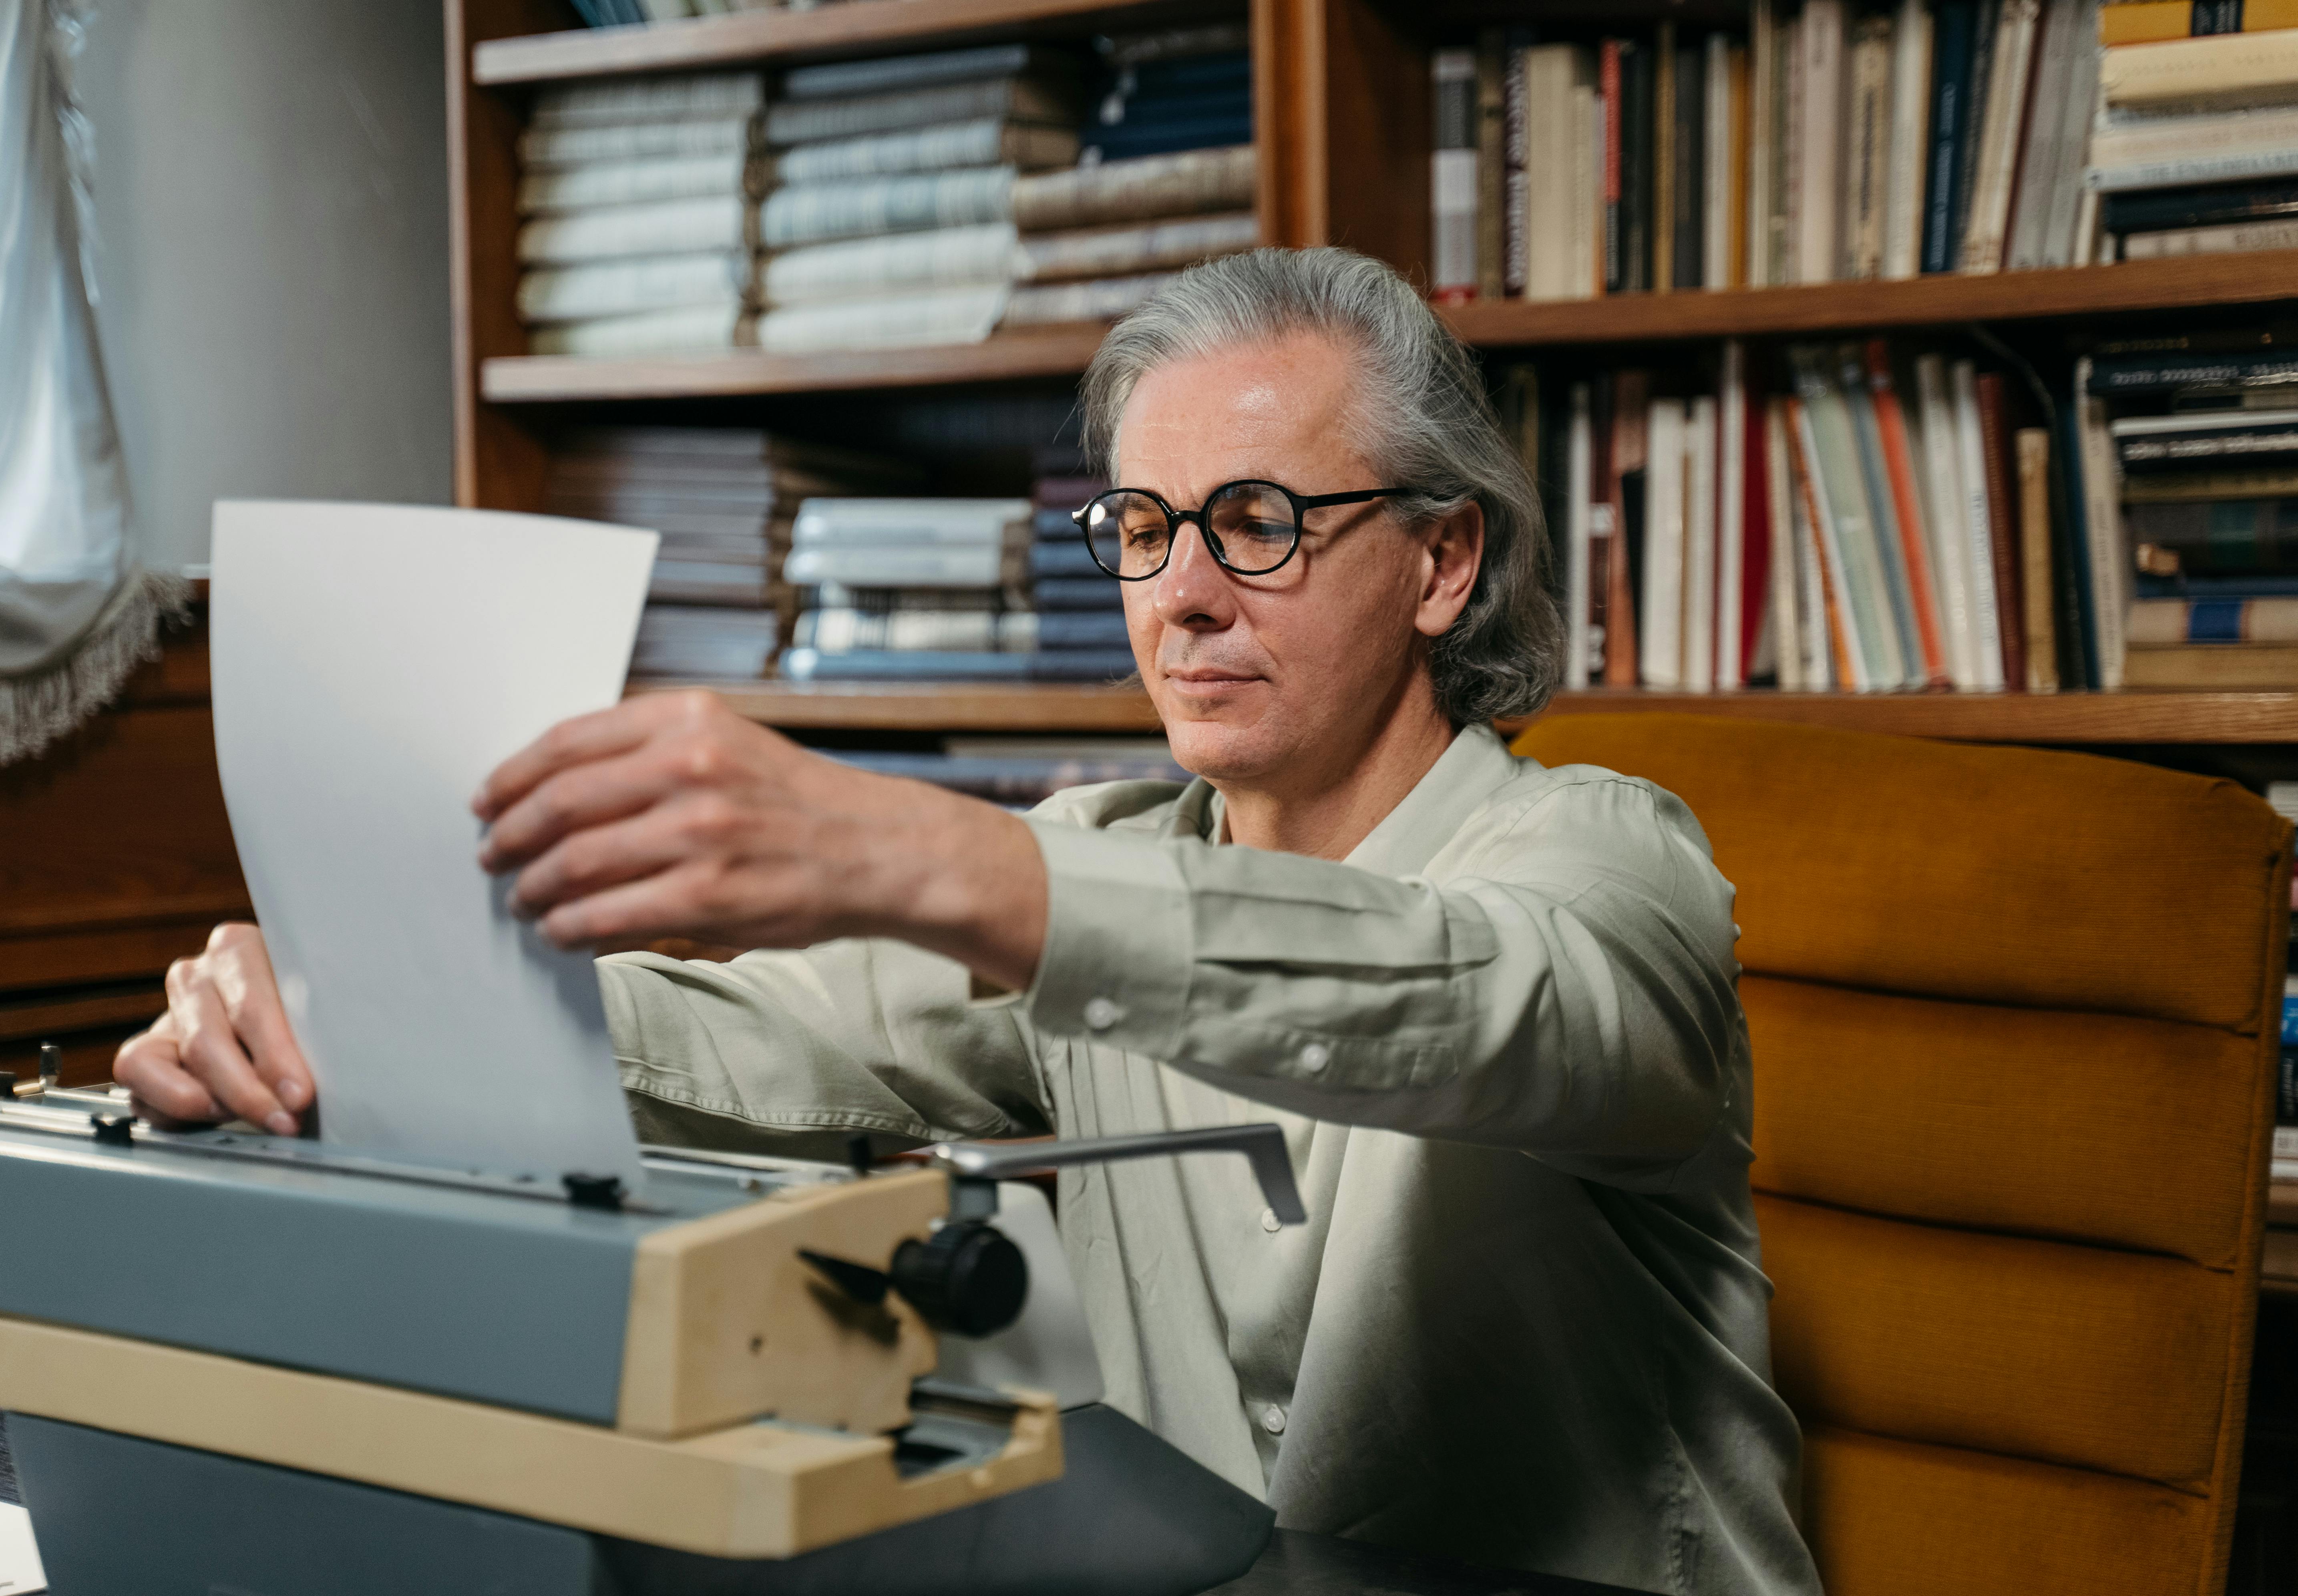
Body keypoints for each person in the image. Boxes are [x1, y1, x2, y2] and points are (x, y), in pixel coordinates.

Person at [116, 247, 1821, 1596]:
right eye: (1142, 531)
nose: (1183, 595)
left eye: (1258, 523)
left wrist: (924, 853)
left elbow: (1476, 1003)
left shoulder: (1613, 859)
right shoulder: (1101, 854)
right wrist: (361, 1000)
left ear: (1443, 562)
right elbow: (757, 1042)